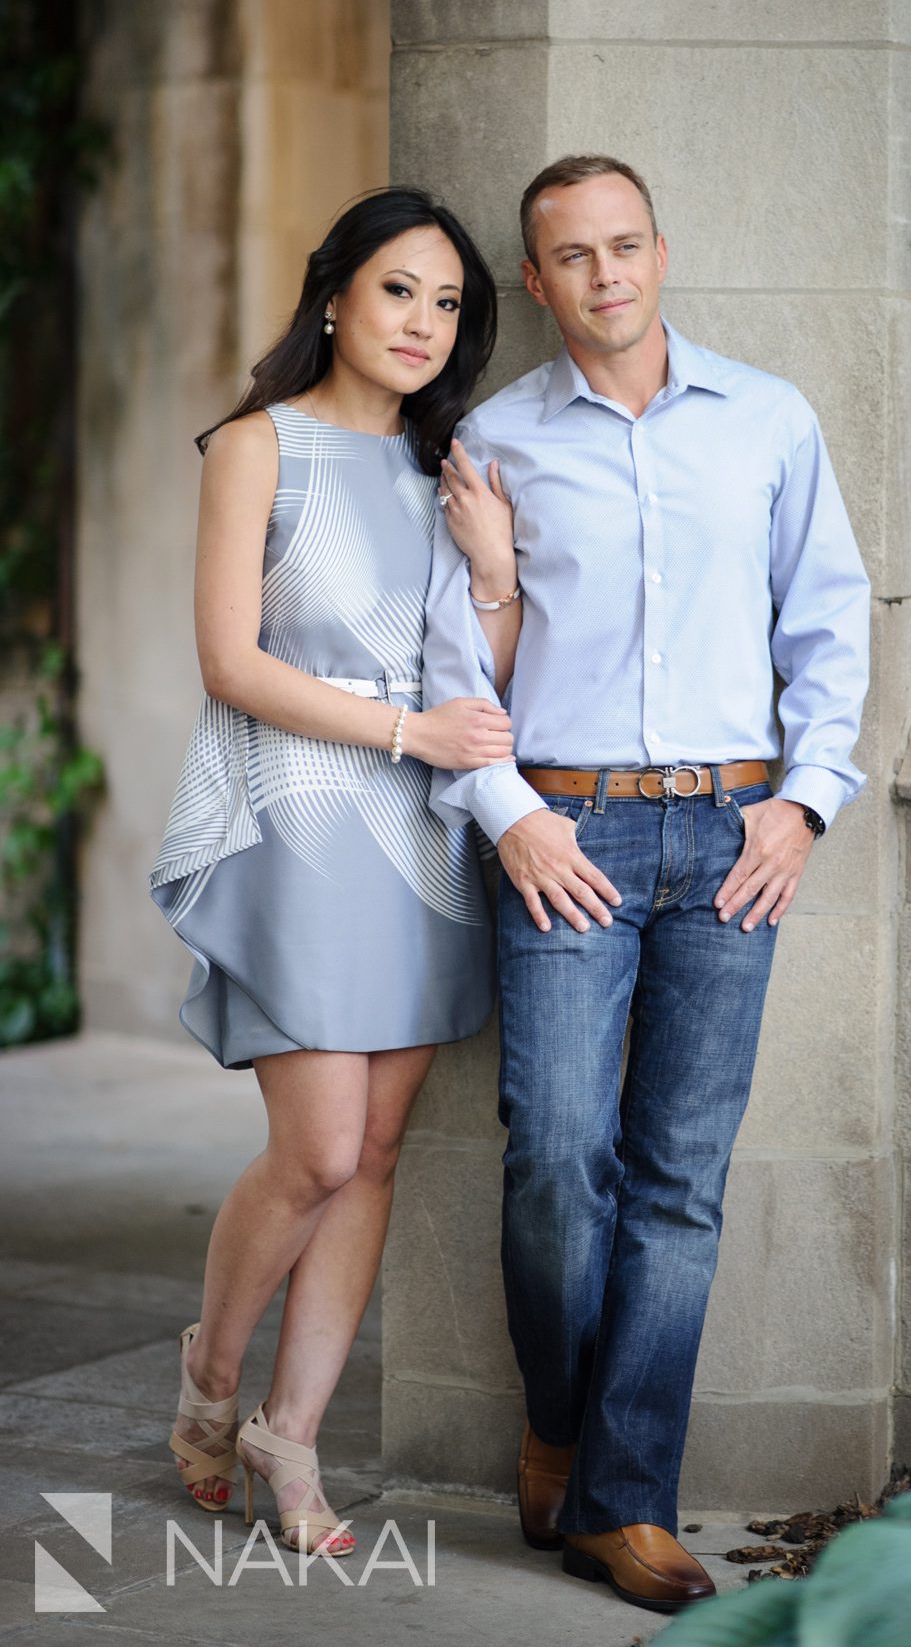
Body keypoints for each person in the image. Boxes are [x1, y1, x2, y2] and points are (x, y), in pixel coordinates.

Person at [423, 154, 870, 1615]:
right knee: (557, 1153)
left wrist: (802, 807)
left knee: (681, 1178)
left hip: (736, 837)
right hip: (568, 841)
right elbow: (452, 670)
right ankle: (558, 1419)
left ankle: (623, 1501)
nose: (604, 274)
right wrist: (508, 813)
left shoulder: (770, 422)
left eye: (625, 246)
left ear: (661, 255)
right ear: (537, 284)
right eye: (572, 256)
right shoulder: (496, 440)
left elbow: (829, 622)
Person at [149, 188, 517, 1558]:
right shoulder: (260, 446)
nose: (423, 322)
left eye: (447, 303)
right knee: (311, 1152)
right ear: (333, 299)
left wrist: (492, 578)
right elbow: (231, 664)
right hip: (303, 807)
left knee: (373, 1156)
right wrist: (406, 728)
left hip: (426, 831)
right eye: (397, 291)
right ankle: (208, 1380)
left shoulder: (451, 470)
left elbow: (489, 687)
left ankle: (289, 1444)